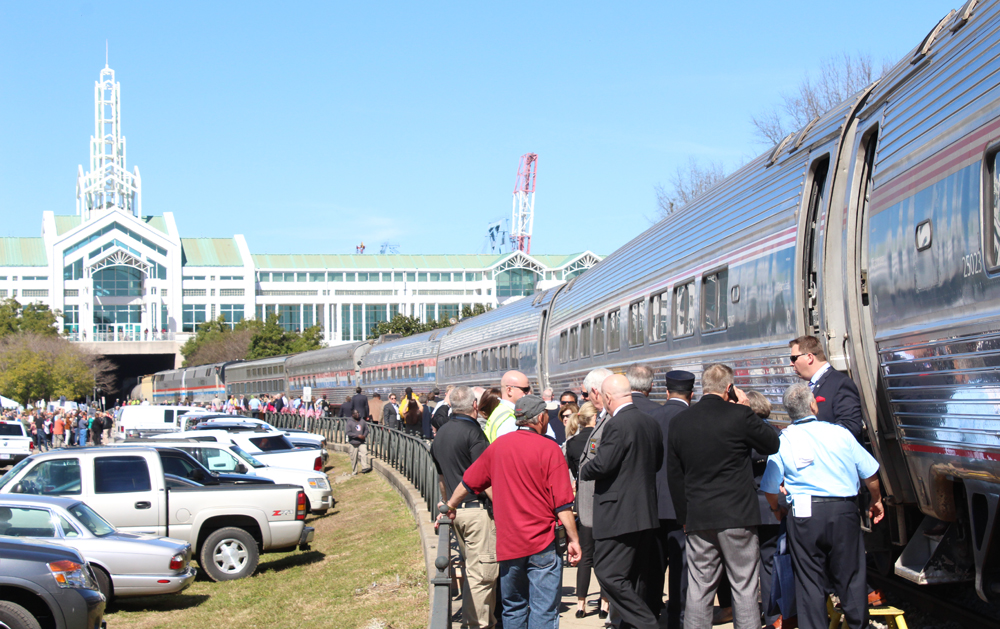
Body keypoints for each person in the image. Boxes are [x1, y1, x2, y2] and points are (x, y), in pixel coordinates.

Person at [444, 395, 581, 629]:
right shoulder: (550, 449)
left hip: (509, 544)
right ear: (540, 418)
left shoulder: (498, 446)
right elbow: (562, 504)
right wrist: (574, 538)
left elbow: (468, 482)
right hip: (542, 543)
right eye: (546, 414)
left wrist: (450, 507)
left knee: (513, 607)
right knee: (544, 610)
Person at [666, 364, 780, 629]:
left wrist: (684, 517)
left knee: (700, 588)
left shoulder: (680, 421)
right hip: (738, 515)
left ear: (702, 388)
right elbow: (772, 444)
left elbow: (675, 475)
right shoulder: (739, 416)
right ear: (729, 388)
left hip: (698, 517)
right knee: (744, 586)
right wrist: (744, 407)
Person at [762, 383, 884, 629]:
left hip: (805, 515)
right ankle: (858, 625)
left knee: (809, 581)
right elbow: (870, 473)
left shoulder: (783, 439)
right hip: (844, 512)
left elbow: (770, 487)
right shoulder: (840, 433)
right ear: (813, 405)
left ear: (788, 412)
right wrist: (876, 499)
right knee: (851, 575)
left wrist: (777, 510)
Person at [580, 374, 664, 629]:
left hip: (618, 514)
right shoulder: (650, 422)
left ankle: (647, 623)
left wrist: (584, 469)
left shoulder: (617, 424)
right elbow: (657, 462)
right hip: (645, 512)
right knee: (636, 576)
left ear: (607, 398)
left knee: (608, 572)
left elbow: (604, 463)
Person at [430, 386, 496, 629]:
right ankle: (477, 624)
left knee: (472, 571)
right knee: (482, 575)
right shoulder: (475, 434)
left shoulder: (441, 435)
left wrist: (448, 505)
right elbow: (484, 477)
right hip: (477, 512)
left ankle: (481, 621)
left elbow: (440, 478)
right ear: (475, 406)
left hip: (456, 512)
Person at [653, 370, 696, 629]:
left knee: (654, 566)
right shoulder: (692, 417)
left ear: (667, 392)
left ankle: (651, 615)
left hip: (653, 505)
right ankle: (677, 618)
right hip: (683, 505)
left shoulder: (651, 417)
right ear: (691, 394)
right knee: (682, 568)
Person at [564, 401, 601, 619]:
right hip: (602, 500)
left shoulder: (572, 443)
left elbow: (571, 471)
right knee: (604, 555)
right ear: (595, 418)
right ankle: (605, 605)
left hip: (582, 502)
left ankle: (580, 603)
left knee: (585, 554)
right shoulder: (601, 439)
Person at [789, 335, 863, 438]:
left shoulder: (840, 383)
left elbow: (850, 426)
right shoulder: (813, 385)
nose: (791, 364)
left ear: (809, 357)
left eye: (793, 358)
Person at [346, 409, 371, 475]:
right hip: (353, 443)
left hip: (361, 442)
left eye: (358, 413)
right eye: (356, 413)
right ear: (352, 414)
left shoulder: (362, 421)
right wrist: (357, 436)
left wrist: (364, 435)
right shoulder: (350, 422)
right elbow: (348, 432)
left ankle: (364, 467)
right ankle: (354, 471)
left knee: (364, 453)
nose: (357, 415)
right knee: (354, 458)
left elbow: (366, 429)